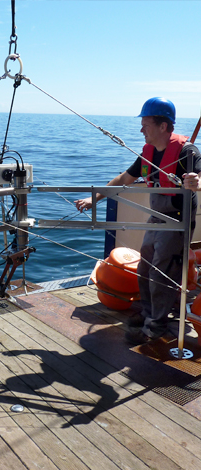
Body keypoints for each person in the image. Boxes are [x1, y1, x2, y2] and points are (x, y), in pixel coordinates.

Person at [75, 97, 201, 345]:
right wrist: (95, 199)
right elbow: (124, 178)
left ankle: (157, 324)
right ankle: (148, 313)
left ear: (163, 126)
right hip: (156, 218)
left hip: (177, 221)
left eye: (146, 123)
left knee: (162, 273)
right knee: (145, 269)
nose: (141, 129)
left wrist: (195, 182)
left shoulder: (188, 151)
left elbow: (199, 176)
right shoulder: (148, 153)